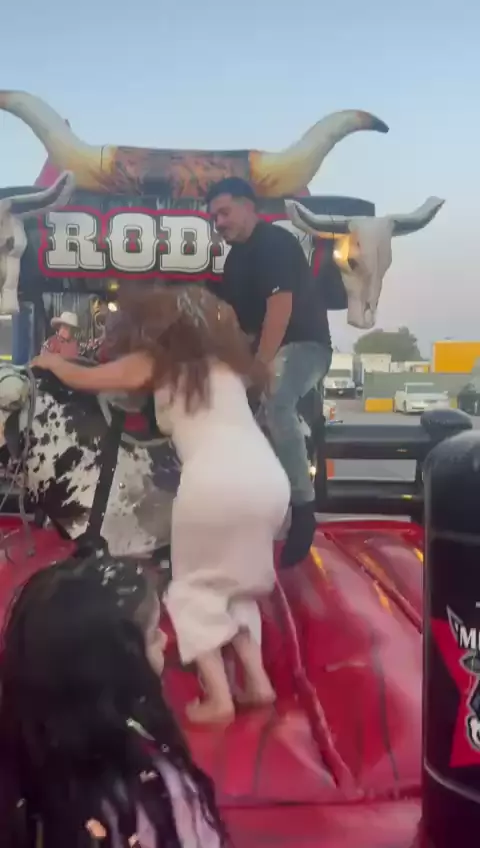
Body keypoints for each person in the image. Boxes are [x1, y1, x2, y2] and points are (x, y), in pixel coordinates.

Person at [31, 285, 290, 725]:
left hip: (217, 482)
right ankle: (257, 682)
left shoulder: (159, 363)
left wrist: (52, 363)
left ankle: (219, 699)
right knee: (236, 586)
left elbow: (89, 379)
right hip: (268, 479)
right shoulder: (226, 367)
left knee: (192, 588)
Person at [0, 552, 226, 847]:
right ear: (110, 666)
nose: (164, 639)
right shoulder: (155, 791)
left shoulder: (19, 759)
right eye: (152, 634)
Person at [206, 177, 332, 569]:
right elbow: (238, 326)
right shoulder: (233, 262)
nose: (218, 223)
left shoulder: (275, 242)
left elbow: (279, 311)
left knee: (275, 395)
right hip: (264, 351)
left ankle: (304, 509)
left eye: (224, 212)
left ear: (248, 206)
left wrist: (257, 369)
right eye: (213, 217)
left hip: (306, 347)